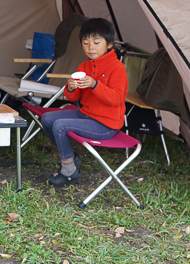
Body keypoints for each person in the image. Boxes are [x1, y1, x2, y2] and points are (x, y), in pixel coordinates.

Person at [41, 17, 128, 187]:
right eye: (86, 42)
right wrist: (71, 86)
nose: (90, 47)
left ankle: (69, 171)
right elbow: (73, 98)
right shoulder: (84, 66)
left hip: (106, 124)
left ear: (109, 44)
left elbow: (116, 98)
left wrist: (95, 84)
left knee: (60, 125)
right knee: (47, 119)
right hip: (86, 114)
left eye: (96, 42)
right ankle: (71, 158)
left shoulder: (117, 68)